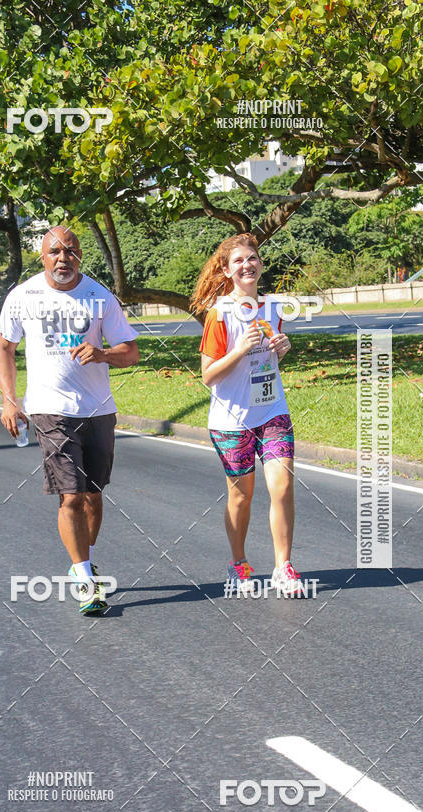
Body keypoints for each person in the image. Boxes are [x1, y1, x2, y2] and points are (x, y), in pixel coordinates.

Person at [0, 226, 139, 615]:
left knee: (93, 495)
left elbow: (130, 352)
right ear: (43, 257)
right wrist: (10, 401)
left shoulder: (99, 296)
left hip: (97, 409)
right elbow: (5, 348)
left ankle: (82, 561)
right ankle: (86, 580)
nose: (63, 258)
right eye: (55, 251)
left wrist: (103, 354)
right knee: (71, 494)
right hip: (49, 408)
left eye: (70, 251)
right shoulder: (23, 296)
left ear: (80, 256)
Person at [191, 233, 302, 597]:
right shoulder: (219, 314)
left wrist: (281, 348)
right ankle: (238, 563)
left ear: (260, 263)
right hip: (232, 421)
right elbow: (208, 375)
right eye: (237, 261)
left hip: (271, 412)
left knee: (282, 486)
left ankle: (283, 567)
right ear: (226, 270)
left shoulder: (273, 309)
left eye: (251, 258)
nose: (246, 265)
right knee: (242, 497)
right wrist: (238, 350)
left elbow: (269, 358)